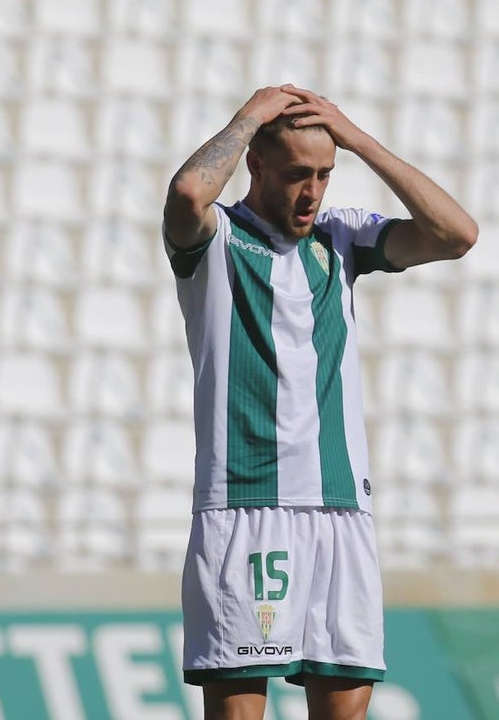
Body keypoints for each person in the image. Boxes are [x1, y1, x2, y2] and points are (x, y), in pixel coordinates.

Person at [163, 84, 477, 720]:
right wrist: (250, 117)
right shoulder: (215, 237)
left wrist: (355, 138)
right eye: (296, 175)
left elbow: (457, 234)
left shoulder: (342, 239)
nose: (312, 193)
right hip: (245, 507)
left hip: (341, 510)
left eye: (324, 175)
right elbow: (190, 192)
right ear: (254, 163)